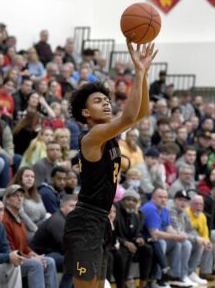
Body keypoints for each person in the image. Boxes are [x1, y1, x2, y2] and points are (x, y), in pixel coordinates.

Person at [63, 42, 157, 288]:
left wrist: (144, 74)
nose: (106, 103)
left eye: (107, 100)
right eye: (98, 101)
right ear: (85, 112)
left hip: (102, 219)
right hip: (85, 221)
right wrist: (137, 72)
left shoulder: (109, 135)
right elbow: (128, 116)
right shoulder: (92, 137)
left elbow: (140, 113)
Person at [2, 184, 58, 288]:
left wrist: (34, 255)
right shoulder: (4, 220)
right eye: (15, 196)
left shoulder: (20, 219)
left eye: (21, 196)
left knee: (49, 261)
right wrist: (31, 258)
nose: (19, 199)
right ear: (7, 200)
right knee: (35, 264)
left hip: (22, 257)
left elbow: (24, 246)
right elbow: (10, 251)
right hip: (10, 261)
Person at [31, 195, 77, 288]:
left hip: (55, 252)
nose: (75, 209)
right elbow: (65, 246)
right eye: (71, 206)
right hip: (41, 255)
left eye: (76, 206)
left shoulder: (69, 220)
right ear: (62, 207)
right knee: (73, 262)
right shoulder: (57, 220)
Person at [116, 189, 154, 288]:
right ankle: (122, 283)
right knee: (124, 252)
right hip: (118, 243)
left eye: (134, 201)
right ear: (123, 200)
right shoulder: (116, 211)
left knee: (147, 249)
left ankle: (143, 283)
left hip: (130, 243)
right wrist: (125, 243)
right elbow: (111, 233)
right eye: (128, 199)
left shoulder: (135, 214)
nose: (131, 203)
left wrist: (139, 238)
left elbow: (136, 233)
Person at [185, 195, 214, 281]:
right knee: (200, 244)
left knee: (208, 246)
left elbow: (205, 233)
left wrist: (207, 242)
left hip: (197, 239)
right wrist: (201, 240)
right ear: (191, 204)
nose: (198, 206)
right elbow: (186, 231)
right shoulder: (186, 213)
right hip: (188, 238)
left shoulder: (202, 216)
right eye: (196, 204)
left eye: (201, 204)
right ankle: (191, 272)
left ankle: (205, 272)